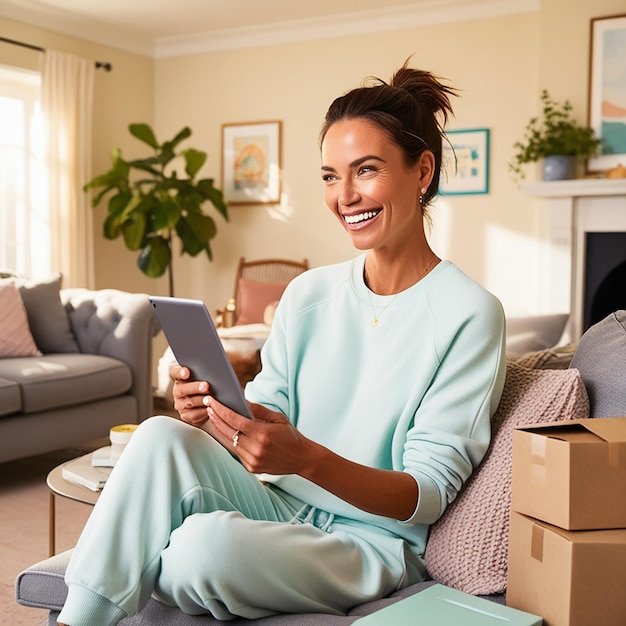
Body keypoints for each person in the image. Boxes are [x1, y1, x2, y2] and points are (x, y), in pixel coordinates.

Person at [57, 60, 506, 625]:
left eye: (365, 170)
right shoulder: (308, 294)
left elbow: (427, 495)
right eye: (328, 176)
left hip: (370, 542)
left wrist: (309, 458)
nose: (344, 195)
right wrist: (213, 413)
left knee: (197, 553)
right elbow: (272, 416)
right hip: (275, 503)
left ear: (422, 171)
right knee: (158, 437)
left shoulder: (470, 313)